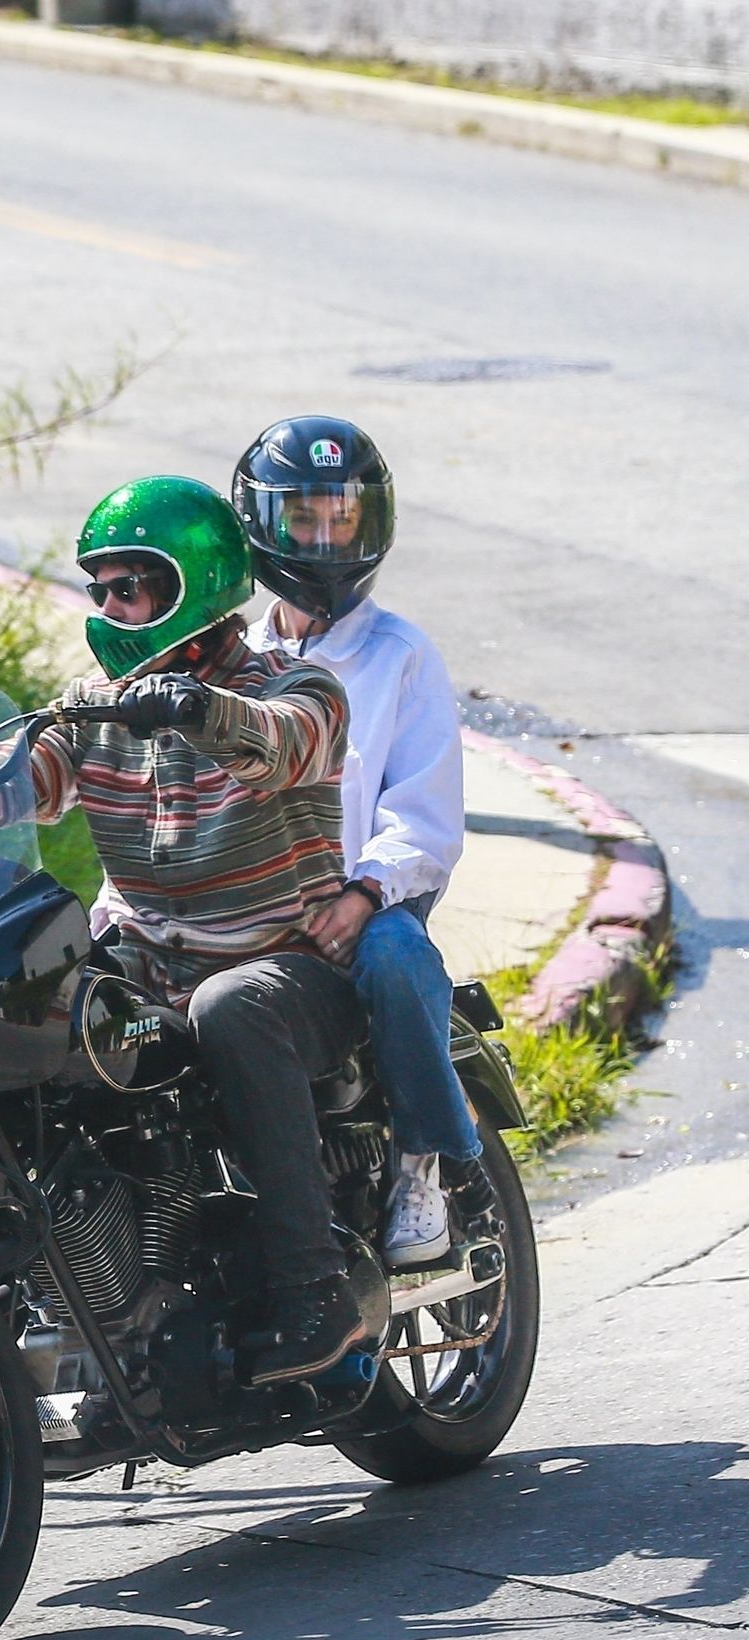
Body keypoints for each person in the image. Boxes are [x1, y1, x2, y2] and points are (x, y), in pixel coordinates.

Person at [28, 474, 389, 1383]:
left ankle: (314, 1290)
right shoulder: (97, 704)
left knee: (231, 1007)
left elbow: (282, 744)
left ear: (191, 582)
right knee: (23, 1003)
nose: (109, 609)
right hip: (151, 965)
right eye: (99, 589)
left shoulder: (298, 686)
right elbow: (25, 783)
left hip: (289, 971)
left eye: (129, 587)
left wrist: (197, 709)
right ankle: (62, 1286)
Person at [233, 415, 495, 1267]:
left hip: (367, 904)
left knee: (395, 954)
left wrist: (363, 892)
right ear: (262, 524)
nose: (324, 540)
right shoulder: (234, 662)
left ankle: (424, 1163)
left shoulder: (401, 655)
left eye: (341, 519)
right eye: (304, 518)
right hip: (255, 910)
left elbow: (423, 816)